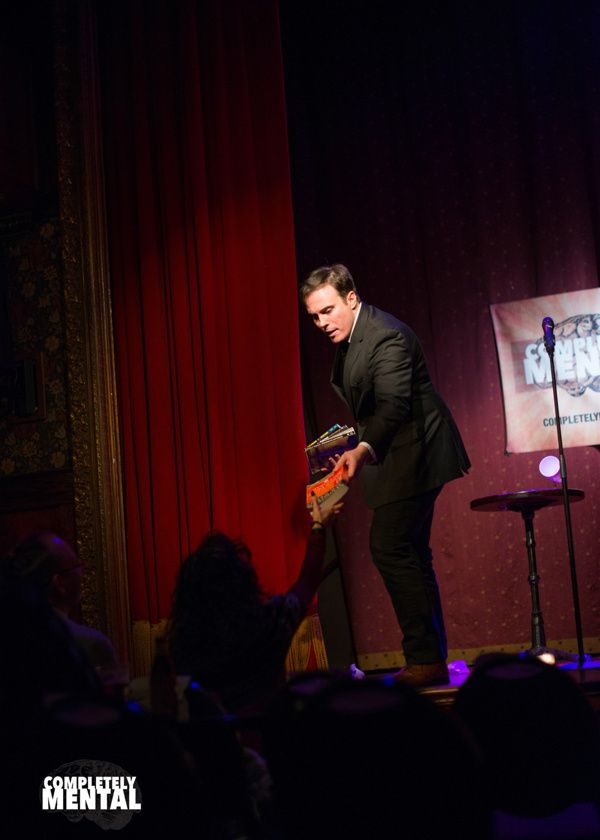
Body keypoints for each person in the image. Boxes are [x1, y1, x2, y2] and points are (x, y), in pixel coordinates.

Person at [301, 263, 470, 687]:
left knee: (390, 546)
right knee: (409, 552)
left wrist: (361, 448)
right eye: (315, 316)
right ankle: (430, 657)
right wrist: (346, 442)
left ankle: (425, 659)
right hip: (399, 453)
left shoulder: (386, 335)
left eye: (327, 311)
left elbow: (393, 405)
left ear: (351, 298)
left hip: (418, 453)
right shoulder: (352, 335)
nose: (322, 323)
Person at [168, 494, 342, 719]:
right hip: (268, 738)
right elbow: (307, 583)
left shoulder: (183, 641)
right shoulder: (270, 621)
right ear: (243, 581)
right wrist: (319, 526)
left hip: (213, 747)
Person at [1, 531, 117, 670]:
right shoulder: (90, 645)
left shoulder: (9, 636)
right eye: (76, 566)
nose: (82, 572)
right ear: (59, 583)